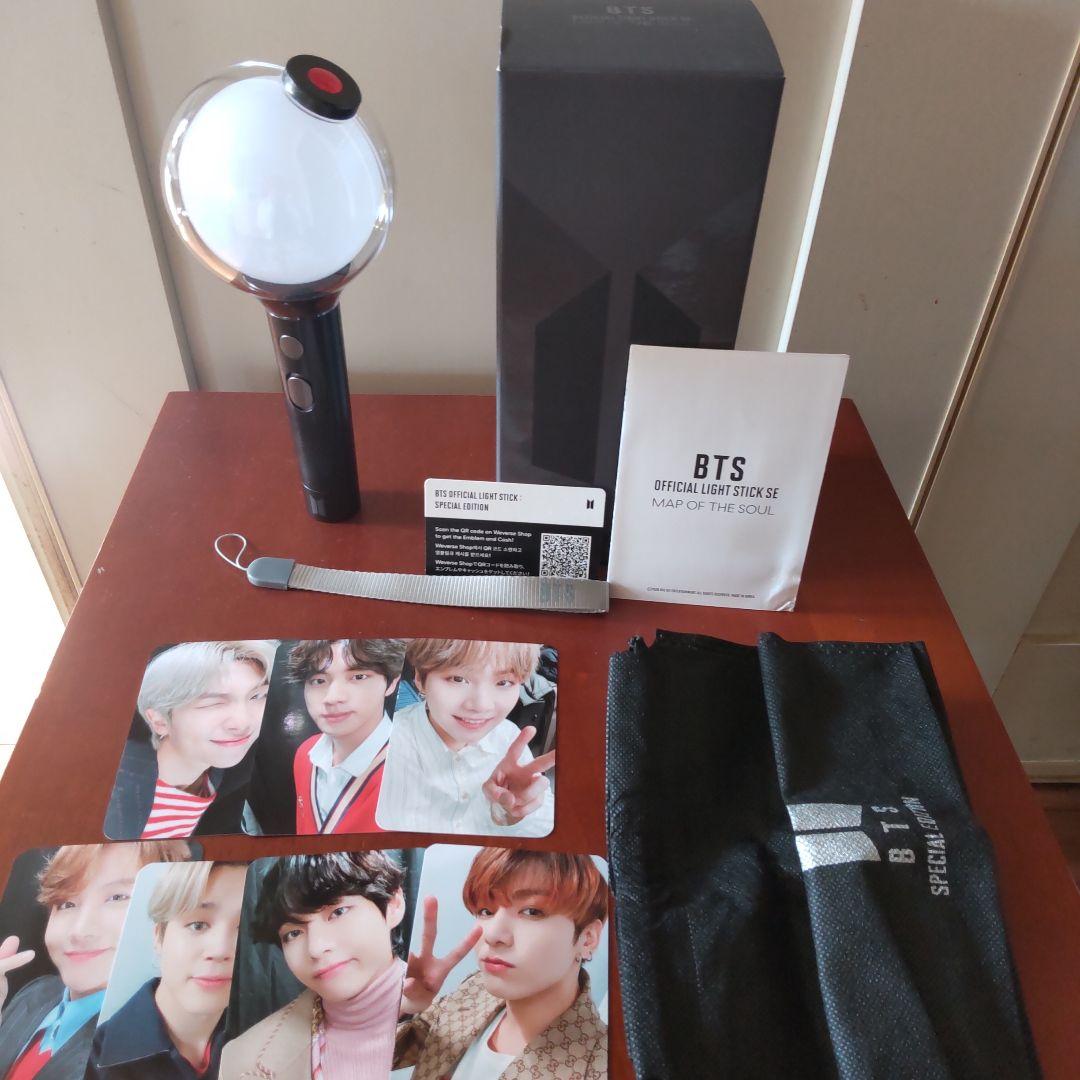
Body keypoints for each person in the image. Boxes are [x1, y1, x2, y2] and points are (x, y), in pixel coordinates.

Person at [395, 849, 608, 1079]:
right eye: (486, 911)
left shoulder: (602, 1064)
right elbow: (391, 1055)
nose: (493, 934)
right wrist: (402, 1006)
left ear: (588, 939)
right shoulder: (474, 991)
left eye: (531, 912)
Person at [0, 842, 191, 1080]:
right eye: (66, 904)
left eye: (117, 897)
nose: (79, 931)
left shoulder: (152, 1052)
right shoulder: (37, 992)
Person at [219, 852, 416, 1080]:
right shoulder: (240, 1060)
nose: (316, 948)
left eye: (338, 912)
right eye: (294, 933)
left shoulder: (447, 1014)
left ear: (393, 904)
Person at [376, 640, 556, 837]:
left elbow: (545, 825)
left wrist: (513, 814)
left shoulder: (509, 738)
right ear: (420, 678)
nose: (481, 705)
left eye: (504, 682)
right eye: (458, 679)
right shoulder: (383, 743)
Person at [85, 861, 246, 1079]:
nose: (220, 950)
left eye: (244, 928)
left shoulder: (265, 1035)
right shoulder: (92, 1061)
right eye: (197, 925)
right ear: (159, 936)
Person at [104, 641, 279, 840]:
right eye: (212, 703)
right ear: (159, 721)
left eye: (257, 696)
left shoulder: (221, 775)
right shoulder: (117, 795)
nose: (243, 723)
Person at [287, 639, 406, 835]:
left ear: (392, 682)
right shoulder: (306, 753)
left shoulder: (413, 772)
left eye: (358, 677)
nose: (332, 698)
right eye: (318, 681)